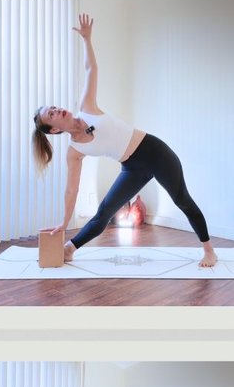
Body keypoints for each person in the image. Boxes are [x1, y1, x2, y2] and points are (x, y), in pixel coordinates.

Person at [31, 15, 216, 267]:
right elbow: (71, 190)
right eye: (51, 114)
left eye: (53, 107)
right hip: (132, 168)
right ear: (53, 130)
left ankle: (209, 251)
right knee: (105, 212)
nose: (56, 110)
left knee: (182, 199)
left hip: (155, 152)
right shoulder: (74, 151)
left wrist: (87, 40)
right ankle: (69, 249)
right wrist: (64, 222)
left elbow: (91, 69)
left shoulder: (87, 107)